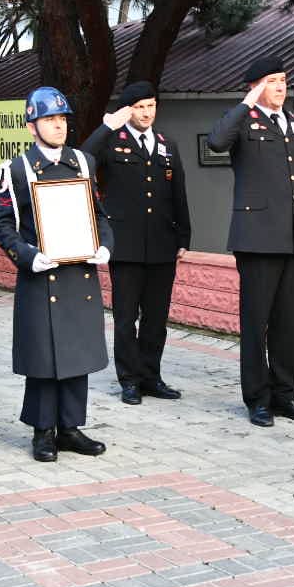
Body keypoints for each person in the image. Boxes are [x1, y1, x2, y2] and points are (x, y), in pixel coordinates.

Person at [0, 86, 114, 461]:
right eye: (49, 119)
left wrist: (105, 245)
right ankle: (43, 431)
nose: (58, 126)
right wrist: (27, 256)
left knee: (76, 351)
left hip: (79, 273)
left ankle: (71, 427)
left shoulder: (83, 162)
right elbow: (2, 226)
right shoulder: (14, 170)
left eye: (62, 119)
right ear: (32, 126)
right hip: (42, 275)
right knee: (44, 358)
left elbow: (98, 216)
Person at [206, 56, 294, 427]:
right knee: (257, 323)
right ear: (255, 86)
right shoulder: (243, 121)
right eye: (272, 80)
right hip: (257, 238)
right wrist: (246, 103)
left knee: (290, 323)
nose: (281, 86)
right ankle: (257, 398)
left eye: (284, 80)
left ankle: (285, 394)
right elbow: (216, 142)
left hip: (293, 238)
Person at [81, 80, 190, 405]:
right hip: (125, 244)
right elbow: (83, 158)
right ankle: (129, 379)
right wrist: (106, 125)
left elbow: (178, 193)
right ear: (128, 110)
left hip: (162, 243)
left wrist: (184, 236)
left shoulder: (167, 144)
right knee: (126, 318)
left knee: (156, 318)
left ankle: (151, 376)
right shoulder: (112, 141)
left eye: (151, 106)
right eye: (139, 107)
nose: (146, 113)